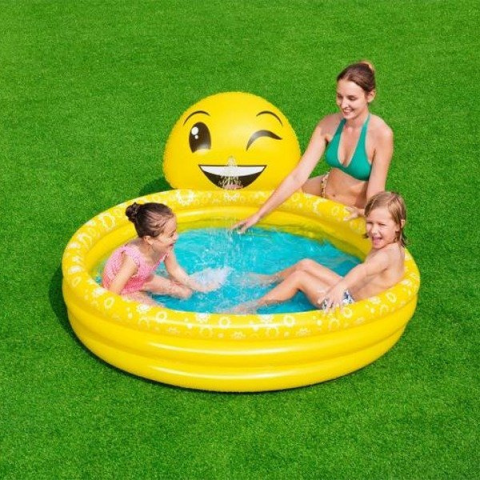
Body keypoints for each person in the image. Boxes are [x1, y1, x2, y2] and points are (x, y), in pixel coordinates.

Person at [233, 61, 394, 232]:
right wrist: (258, 215)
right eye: (339, 96)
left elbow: (375, 194)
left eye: (351, 98)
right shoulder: (329, 124)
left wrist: (364, 214)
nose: (343, 104)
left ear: (370, 96)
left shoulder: (381, 135)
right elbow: (298, 176)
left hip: (350, 211)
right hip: (322, 189)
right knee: (269, 198)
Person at [234, 191, 407, 313]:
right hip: (349, 289)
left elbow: (363, 270)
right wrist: (360, 213)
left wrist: (340, 288)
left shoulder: (386, 255)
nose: (374, 231)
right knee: (305, 264)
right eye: (370, 222)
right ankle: (267, 280)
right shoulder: (388, 239)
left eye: (381, 225)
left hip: (350, 305)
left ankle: (253, 307)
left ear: (399, 225)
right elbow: (378, 218)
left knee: (299, 278)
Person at [102, 202, 219, 305]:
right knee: (158, 311)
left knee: (186, 292)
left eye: (175, 231)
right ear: (149, 239)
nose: (176, 237)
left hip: (141, 280)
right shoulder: (133, 259)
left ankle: (145, 290)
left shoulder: (165, 246)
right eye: (171, 234)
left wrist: (199, 287)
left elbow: (174, 269)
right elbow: (113, 292)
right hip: (125, 289)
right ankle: (141, 294)